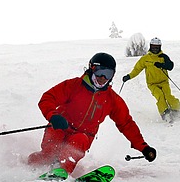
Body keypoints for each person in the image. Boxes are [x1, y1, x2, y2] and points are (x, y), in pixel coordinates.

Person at [27, 52, 157, 174]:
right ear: (92, 69)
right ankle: (29, 166)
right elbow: (48, 98)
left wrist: (143, 148)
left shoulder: (111, 99)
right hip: (60, 126)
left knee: (77, 142)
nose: (103, 78)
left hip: (83, 135)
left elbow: (126, 123)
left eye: (108, 74)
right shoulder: (74, 85)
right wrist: (53, 116)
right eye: (100, 72)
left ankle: (61, 171)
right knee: (48, 154)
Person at [122, 37, 180, 120]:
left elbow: (170, 66)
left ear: (160, 47)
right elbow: (137, 69)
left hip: (164, 82)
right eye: (153, 47)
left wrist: (161, 65)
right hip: (152, 84)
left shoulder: (163, 57)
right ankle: (165, 114)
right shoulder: (145, 59)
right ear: (150, 46)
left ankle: (177, 110)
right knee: (160, 96)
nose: (155, 49)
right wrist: (129, 76)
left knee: (168, 96)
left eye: (157, 47)